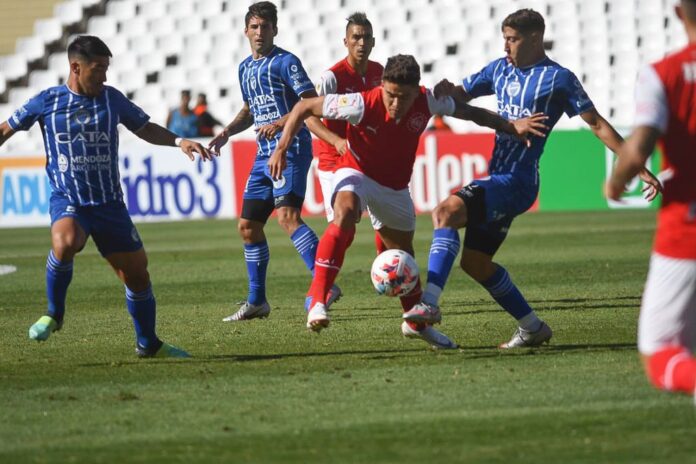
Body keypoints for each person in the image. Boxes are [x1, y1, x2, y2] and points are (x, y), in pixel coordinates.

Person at [402, 8, 663, 348]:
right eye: (505, 39)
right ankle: (532, 326)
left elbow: (597, 124)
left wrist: (639, 166)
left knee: (446, 212)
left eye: (512, 39)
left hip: (519, 180)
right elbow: (458, 96)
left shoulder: (559, 78)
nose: (506, 46)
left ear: (535, 37)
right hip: (499, 177)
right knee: (476, 263)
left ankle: (430, 304)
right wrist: (446, 92)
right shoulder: (499, 69)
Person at [269, 54, 547, 348]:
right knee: (345, 212)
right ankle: (318, 302)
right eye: (390, 95)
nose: (395, 103)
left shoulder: (428, 101)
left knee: (403, 256)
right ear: (382, 87)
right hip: (357, 170)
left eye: (403, 97)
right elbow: (303, 106)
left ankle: (416, 325)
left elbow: (470, 113)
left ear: (417, 90)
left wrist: (509, 126)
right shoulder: (361, 102)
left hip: (394, 189)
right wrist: (282, 147)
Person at [0, 36, 211, 358]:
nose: (104, 76)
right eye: (98, 69)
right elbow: (5, 130)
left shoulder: (112, 99)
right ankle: (55, 313)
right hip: (70, 199)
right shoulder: (47, 101)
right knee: (65, 241)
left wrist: (180, 141)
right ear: (75, 67)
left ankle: (148, 343)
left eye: (106, 68)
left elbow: (145, 128)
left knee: (138, 276)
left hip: (109, 205)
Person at [208, 1, 341, 322]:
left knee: (287, 217)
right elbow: (250, 110)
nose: (259, 33)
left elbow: (311, 104)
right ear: (245, 31)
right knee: (248, 226)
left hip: (291, 149)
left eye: (264, 27)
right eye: (253, 27)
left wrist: (283, 123)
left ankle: (326, 285)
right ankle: (257, 301)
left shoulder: (286, 63)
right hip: (262, 155)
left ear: (274, 30)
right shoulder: (244, 68)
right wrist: (227, 131)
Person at [606, 0, 696, 397]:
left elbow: (640, 143)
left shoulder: (664, 74)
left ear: (679, 13)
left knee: (660, 351)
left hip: (686, 234)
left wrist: (617, 180)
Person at [315, 12, 387, 255]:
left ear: (374, 41)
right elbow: (308, 117)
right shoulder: (331, 77)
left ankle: (391, 277)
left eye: (367, 38)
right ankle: (321, 285)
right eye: (356, 37)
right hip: (335, 163)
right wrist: (336, 141)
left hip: (369, 161)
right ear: (345, 41)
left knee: (388, 227)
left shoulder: (380, 73)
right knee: (344, 229)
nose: (362, 43)